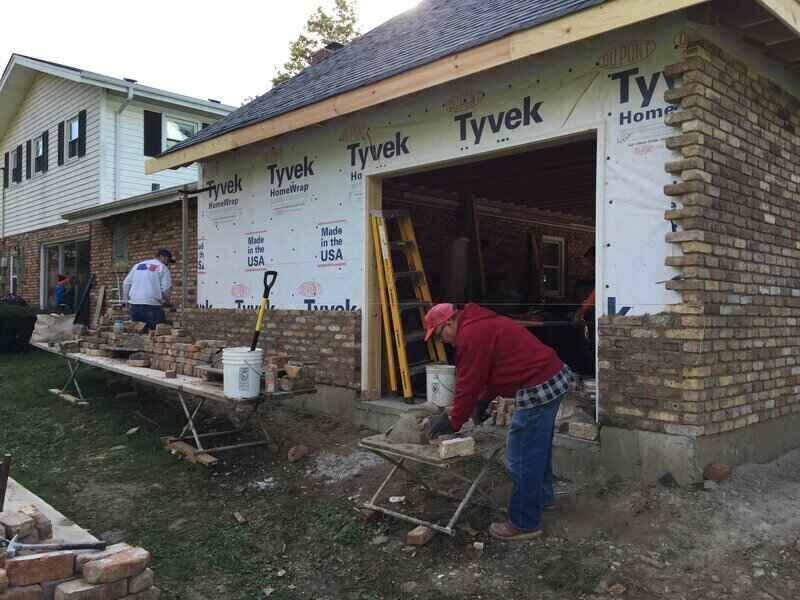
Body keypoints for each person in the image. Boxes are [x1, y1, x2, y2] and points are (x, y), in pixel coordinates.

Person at [424, 302, 574, 542]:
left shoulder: (470, 336)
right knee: (537, 448)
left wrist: (454, 421)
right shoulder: (480, 325)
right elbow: (494, 368)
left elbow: (468, 382)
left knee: (521, 456)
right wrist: (483, 402)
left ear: (450, 322)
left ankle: (525, 523)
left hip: (538, 386)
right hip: (552, 376)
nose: (444, 341)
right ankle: (542, 500)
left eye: (441, 335)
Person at [122, 249, 174, 332]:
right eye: (168, 260)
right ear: (162, 257)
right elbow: (166, 289)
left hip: (135, 305)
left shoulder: (138, 265)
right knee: (158, 333)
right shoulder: (162, 267)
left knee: (139, 333)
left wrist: (125, 300)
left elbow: (126, 283)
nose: (168, 263)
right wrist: (167, 301)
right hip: (152, 306)